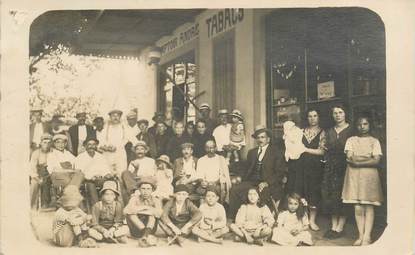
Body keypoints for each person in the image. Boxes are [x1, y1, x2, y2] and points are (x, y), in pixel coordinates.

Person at [229, 125, 287, 219]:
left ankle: (260, 219)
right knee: (235, 190)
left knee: (262, 192)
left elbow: (280, 173)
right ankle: (237, 218)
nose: (260, 140)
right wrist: (240, 177)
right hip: (252, 181)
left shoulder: (276, 152)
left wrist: (267, 183)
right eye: (258, 137)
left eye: (263, 137)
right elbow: (246, 169)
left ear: (268, 139)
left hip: (269, 183)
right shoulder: (252, 152)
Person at [342, 116, 383, 246]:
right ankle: (360, 235)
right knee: (358, 207)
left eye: (365, 124)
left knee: (368, 206)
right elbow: (349, 158)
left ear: (369, 125)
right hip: (354, 176)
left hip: (369, 177)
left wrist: (357, 161)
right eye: (360, 124)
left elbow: (376, 160)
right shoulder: (351, 140)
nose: (362, 127)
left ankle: (367, 236)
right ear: (356, 126)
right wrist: (367, 158)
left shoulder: (374, 141)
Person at [285, 109, 326, 231]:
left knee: (313, 193)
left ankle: (312, 221)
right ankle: (302, 219)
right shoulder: (300, 131)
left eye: (315, 116)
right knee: (299, 192)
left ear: (319, 117)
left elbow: (322, 151)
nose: (312, 118)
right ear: (306, 118)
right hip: (299, 166)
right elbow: (292, 145)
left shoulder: (322, 133)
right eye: (310, 116)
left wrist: (305, 149)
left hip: (314, 167)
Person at [321, 105, 353, 239]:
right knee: (332, 195)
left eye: (340, 112)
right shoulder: (329, 131)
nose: (338, 115)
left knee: (343, 195)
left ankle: (340, 226)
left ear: (345, 114)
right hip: (331, 167)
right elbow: (324, 148)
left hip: (346, 166)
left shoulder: (352, 130)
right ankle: (334, 226)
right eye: (335, 113)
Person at [75, 137, 115, 208]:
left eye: (94, 144)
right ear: (85, 146)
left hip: (101, 179)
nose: (91, 146)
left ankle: (110, 207)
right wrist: (90, 178)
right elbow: (79, 173)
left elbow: (106, 169)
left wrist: (106, 175)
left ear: (96, 146)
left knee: (110, 183)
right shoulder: (80, 157)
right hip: (88, 180)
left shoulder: (101, 156)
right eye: (89, 144)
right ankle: (97, 208)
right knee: (90, 185)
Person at [123, 176, 162, 247]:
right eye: (143, 189)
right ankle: (146, 235)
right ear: (139, 190)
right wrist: (146, 208)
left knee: (152, 216)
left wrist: (137, 210)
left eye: (148, 189)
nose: (145, 191)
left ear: (152, 190)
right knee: (131, 214)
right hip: (136, 230)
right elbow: (125, 211)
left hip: (150, 229)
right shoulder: (134, 198)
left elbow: (159, 214)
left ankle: (145, 235)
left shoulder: (156, 200)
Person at [99, 109, 130, 177]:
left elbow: (126, 139)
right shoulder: (107, 127)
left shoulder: (123, 127)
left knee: (121, 170)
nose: (115, 117)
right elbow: (101, 140)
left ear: (120, 117)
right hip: (108, 152)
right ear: (110, 117)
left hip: (120, 152)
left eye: (117, 116)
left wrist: (117, 147)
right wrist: (106, 147)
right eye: (113, 116)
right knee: (108, 170)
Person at [30, 133, 53, 210]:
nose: (46, 145)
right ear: (41, 143)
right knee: (34, 184)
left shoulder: (53, 152)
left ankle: (46, 204)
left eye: (49, 143)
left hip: (51, 174)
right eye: (44, 142)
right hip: (38, 175)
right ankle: (32, 206)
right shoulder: (36, 153)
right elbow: (32, 168)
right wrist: (37, 178)